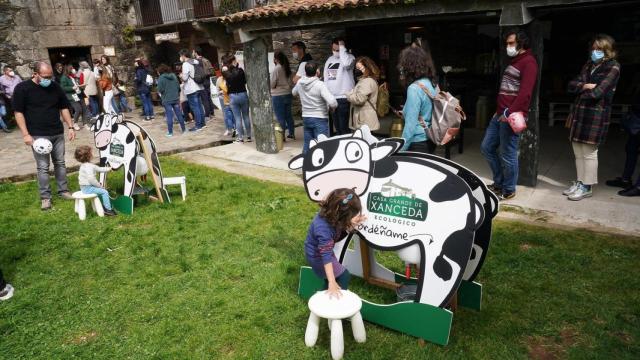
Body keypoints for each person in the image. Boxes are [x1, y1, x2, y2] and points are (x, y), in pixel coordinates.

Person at [480, 29, 538, 201]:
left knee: (508, 153)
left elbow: (525, 94)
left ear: (521, 43)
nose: (508, 46)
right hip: (499, 114)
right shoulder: (515, 60)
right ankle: (499, 182)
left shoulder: (529, 62)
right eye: (507, 43)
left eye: (511, 43)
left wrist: (508, 112)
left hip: (510, 116)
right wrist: (498, 111)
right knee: (486, 147)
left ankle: (509, 188)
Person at [564, 34, 621, 201]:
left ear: (608, 51)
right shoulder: (588, 65)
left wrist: (582, 88)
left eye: (599, 49)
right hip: (579, 112)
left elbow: (598, 92)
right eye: (594, 49)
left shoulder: (613, 67)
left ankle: (587, 186)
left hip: (596, 115)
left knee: (589, 152)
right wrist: (584, 86)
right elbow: (571, 85)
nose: (595, 52)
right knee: (578, 151)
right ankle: (580, 182)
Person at [13, 62, 76, 210]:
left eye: (50, 76)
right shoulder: (23, 89)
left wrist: (71, 126)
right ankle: (45, 197)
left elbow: (63, 107)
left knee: (60, 163)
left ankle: (63, 190)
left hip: (57, 132)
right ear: (35, 74)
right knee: (43, 167)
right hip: (38, 135)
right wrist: (26, 134)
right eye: (45, 77)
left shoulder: (55, 87)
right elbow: (18, 112)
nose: (49, 79)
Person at [304, 188, 367, 298]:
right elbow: (326, 257)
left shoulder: (330, 214)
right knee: (343, 276)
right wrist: (332, 282)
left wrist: (350, 225)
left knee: (334, 277)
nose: (351, 218)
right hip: (318, 257)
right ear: (339, 212)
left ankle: (324, 294)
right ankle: (333, 303)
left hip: (320, 253)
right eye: (349, 217)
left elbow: (335, 236)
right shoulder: (323, 229)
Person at [396, 45, 437, 153]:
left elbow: (410, 125)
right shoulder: (431, 83)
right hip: (430, 137)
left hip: (418, 142)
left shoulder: (414, 88)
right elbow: (427, 109)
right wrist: (406, 110)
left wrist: (401, 149)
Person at [292, 62, 337, 154]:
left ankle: (306, 163)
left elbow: (293, 92)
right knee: (322, 145)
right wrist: (334, 107)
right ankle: (321, 166)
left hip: (306, 117)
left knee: (307, 143)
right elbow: (332, 102)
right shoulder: (320, 84)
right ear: (317, 71)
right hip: (320, 118)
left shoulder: (300, 82)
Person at [606, 90, 640, 197]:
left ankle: (639, 187)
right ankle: (625, 180)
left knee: (632, 149)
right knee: (631, 149)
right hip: (637, 117)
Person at [324, 38, 355, 136]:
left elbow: (346, 64)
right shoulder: (329, 60)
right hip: (332, 98)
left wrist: (342, 49)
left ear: (343, 49)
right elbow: (326, 79)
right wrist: (327, 98)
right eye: (334, 49)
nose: (336, 52)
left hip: (344, 97)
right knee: (337, 127)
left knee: (344, 127)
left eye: (338, 50)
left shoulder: (350, 58)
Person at [75, 145, 117, 216]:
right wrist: (99, 186)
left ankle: (106, 207)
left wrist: (109, 169)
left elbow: (99, 169)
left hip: (84, 187)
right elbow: (91, 179)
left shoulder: (85, 165)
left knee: (102, 190)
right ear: (89, 156)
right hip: (87, 188)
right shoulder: (89, 167)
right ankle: (108, 210)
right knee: (104, 192)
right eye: (91, 153)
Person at [347, 56, 380, 132]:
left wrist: (349, 95)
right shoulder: (365, 80)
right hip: (364, 119)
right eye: (356, 68)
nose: (357, 71)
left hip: (364, 120)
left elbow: (359, 99)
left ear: (367, 68)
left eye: (359, 68)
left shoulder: (367, 82)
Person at [223, 54, 251, 142]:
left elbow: (226, 81)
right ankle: (249, 136)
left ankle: (240, 137)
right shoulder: (241, 71)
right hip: (243, 94)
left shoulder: (226, 73)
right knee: (246, 116)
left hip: (233, 96)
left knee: (237, 118)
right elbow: (245, 81)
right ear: (234, 61)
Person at [179, 49, 206, 132]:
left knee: (195, 107)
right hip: (199, 86)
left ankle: (198, 125)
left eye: (180, 56)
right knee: (199, 106)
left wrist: (181, 76)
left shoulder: (185, 64)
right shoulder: (195, 61)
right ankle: (202, 123)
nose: (180, 58)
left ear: (183, 56)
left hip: (191, 88)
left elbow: (185, 78)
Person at [270, 51, 295, 139]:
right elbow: (291, 82)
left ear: (276, 59)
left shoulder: (276, 69)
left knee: (280, 116)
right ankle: (291, 133)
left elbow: (272, 84)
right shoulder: (287, 68)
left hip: (278, 95)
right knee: (288, 115)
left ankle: (282, 137)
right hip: (288, 93)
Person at [156, 64, 186, 137]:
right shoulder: (173, 76)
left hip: (167, 99)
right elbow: (178, 87)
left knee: (169, 116)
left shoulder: (161, 78)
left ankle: (170, 132)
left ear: (160, 71)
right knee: (179, 114)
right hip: (175, 98)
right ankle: (184, 130)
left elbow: (160, 89)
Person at [60, 64, 88, 130]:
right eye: (72, 68)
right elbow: (63, 88)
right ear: (68, 70)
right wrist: (72, 88)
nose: (73, 69)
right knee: (78, 109)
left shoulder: (74, 76)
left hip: (79, 94)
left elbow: (77, 84)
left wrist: (81, 86)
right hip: (72, 96)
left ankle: (85, 123)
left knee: (84, 108)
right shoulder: (64, 77)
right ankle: (75, 123)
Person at [193, 47, 215, 120]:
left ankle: (207, 115)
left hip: (202, 80)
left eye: (193, 52)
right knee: (208, 97)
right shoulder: (206, 59)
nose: (192, 53)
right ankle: (212, 112)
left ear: (196, 52)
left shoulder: (196, 61)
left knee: (204, 98)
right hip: (208, 80)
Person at [216, 66, 235, 137]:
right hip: (223, 99)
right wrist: (221, 92)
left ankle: (235, 129)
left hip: (231, 99)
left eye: (226, 70)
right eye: (223, 71)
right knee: (226, 115)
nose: (225, 72)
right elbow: (218, 91)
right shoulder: (219, 80)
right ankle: (228, 129)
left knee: (233, 115)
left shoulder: (230, 78)